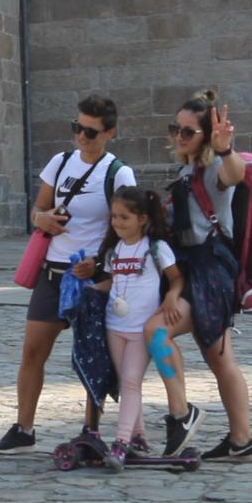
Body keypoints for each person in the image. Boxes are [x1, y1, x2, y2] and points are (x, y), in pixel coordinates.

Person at [0, 94, 136, 454]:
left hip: (90, 277)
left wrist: (102, 267)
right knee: (32, 352)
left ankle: (91, 431)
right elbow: (38, 208)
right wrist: (42, 219)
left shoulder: (119, 173)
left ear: (110, 132)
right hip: (52, 273)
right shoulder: (61, 161)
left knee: (92, 356)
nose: (82, 137)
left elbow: (127, 229)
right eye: (77, 128)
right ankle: (24, 428)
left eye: (90, 131)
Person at [143, 90, 252, 462]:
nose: (179, 136)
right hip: (197, 267)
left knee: (157, 331)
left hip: (209, 269)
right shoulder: (188, 167)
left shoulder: (212, 168)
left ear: (206, 135)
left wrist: (226, 149)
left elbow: (234, 176)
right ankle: (241, 442)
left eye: (188, 132)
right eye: (175, 129)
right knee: (219, 357)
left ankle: (182, 414)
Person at [91, 186, 183, 472]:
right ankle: (138, 437)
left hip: (141, 329)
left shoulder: (156, 248)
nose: (117, 223)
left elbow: (177, 279)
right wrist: (88, 290)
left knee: (131, 382)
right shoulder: (114, 250)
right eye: (114, 217)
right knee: (126, 382)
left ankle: (120, 443)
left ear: (142, 218)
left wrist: (171, 296)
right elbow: (111, 282)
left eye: (124, 218)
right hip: (114, 325)